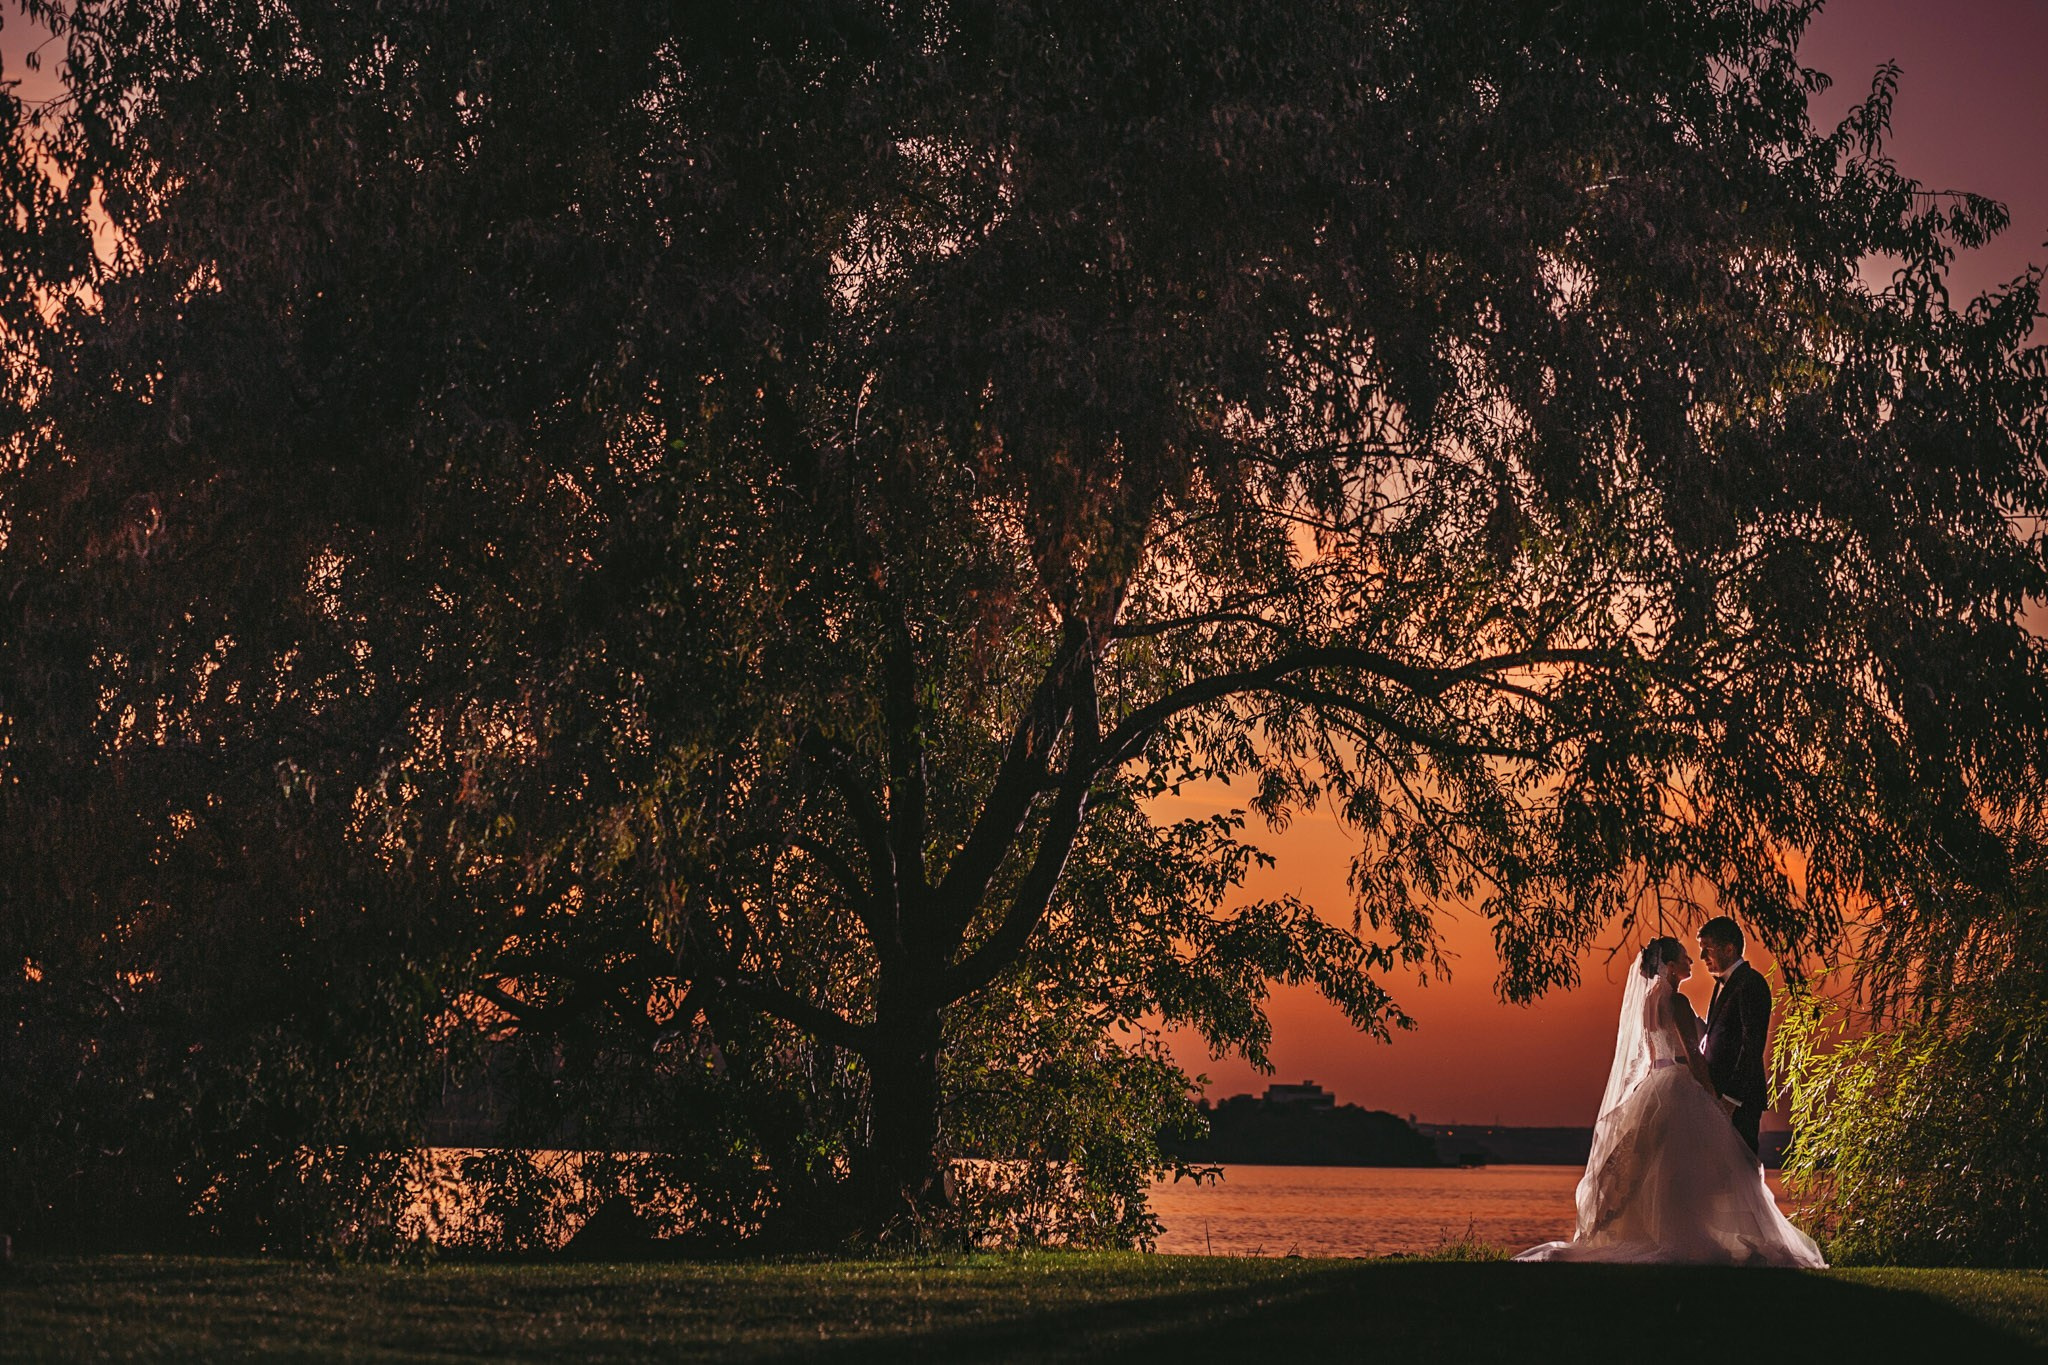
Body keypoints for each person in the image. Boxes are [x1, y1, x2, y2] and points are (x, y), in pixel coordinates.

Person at [1513, 935, 1824, 1265]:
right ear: (1671, 966)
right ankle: (1695, 1236)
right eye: (1687, 957)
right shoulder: (1676, 1002)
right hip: (1679, 1083)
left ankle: (1657, 1233)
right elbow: (1693, 1055)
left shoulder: (1649, 1001)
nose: (1694, 961)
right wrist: (1712, 1095)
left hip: (1656, 1084)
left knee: (1657, 1169)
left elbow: (1648, 1056)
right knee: (1700, 1168)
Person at [1699, 915, 1769, 1154]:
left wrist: (1731, 1099)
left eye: (1707, 949)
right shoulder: (1722, 984)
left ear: (1729, 948)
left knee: (1743, 1172)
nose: (1702, 958)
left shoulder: (1751, 983)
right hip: (1717, 1098)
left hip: (1739, 1101)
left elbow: (1752, 1045)